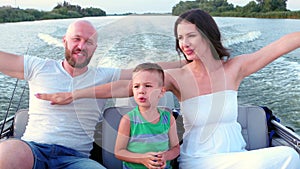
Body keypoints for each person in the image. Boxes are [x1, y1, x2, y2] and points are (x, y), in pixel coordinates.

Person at [36, 9, 300, 168]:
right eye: (180, 38)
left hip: (237, 158)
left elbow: (280, 46)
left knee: (288, 156)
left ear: (208, 34)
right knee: (288, 157)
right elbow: (123, 86)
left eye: (191, 35)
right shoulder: (176, 77)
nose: (184, 43)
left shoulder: (235, 69)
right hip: (200, 161)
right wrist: (74, 94)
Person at [0, 20, 184, 169]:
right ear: (64, 40)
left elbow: (150, 70)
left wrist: (189, 62)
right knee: (7, 152)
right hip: (33, 149)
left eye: (88, 42)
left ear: (95, 48)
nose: (82, 46)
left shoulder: (104, 75)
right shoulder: (37, 66)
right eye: (76, 39)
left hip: (75, 158)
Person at [114, 63, 180, 169]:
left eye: (148, 86)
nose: (141, 91)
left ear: (161, 91)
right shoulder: (128, 120)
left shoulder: (169, 119)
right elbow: (119, 152)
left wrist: (165, 156)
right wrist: (142, 158)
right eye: (136, 86)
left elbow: (176, 148)